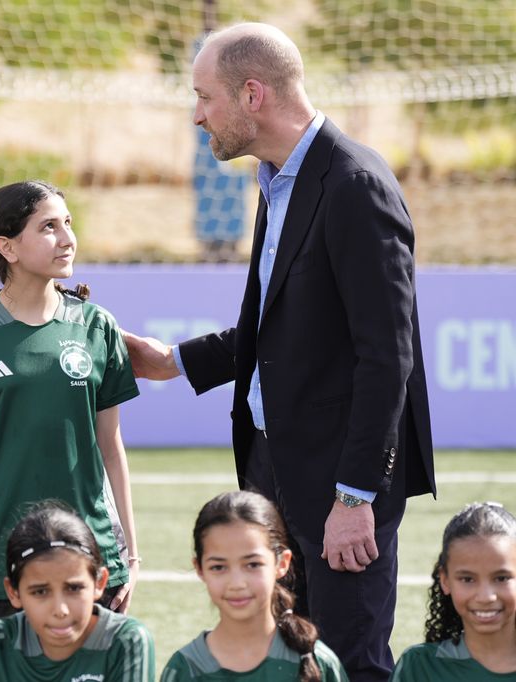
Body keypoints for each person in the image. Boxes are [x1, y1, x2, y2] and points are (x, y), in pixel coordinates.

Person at [122, 23, 434, 681]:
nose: (197, 115)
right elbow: (281, 329)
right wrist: (173, 362)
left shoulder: (355, 184)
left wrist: (356, 497)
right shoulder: (277, 180)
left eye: (204, 97)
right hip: (275, 463)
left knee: (350, 665)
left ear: (252, 95)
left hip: (339, 482)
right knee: (287, 663)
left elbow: (388, 358)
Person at [0, 180, 141, 648]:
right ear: (7, 247)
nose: (67, 238)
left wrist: (130, 555)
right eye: (48, 227)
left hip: (93, 556)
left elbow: (111, 448)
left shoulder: (97, 326)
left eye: (68, 223)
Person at [162, 491, 348, 681]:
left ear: (281, 563)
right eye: (218, 567)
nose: (237, 583)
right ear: (200, 569)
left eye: (253, 564)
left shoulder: (318, 662)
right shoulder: (184, 670)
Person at [0, 501, 155, 681]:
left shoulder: (125, 641)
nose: (60, 610)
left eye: (74, 588)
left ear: (99, 583)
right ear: (13, 592)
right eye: (40, 592)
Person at [390, 502, 516, 680]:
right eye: (467, 579)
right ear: (445, 580)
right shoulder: (420, 666)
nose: (485, 597)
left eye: (501, 578)